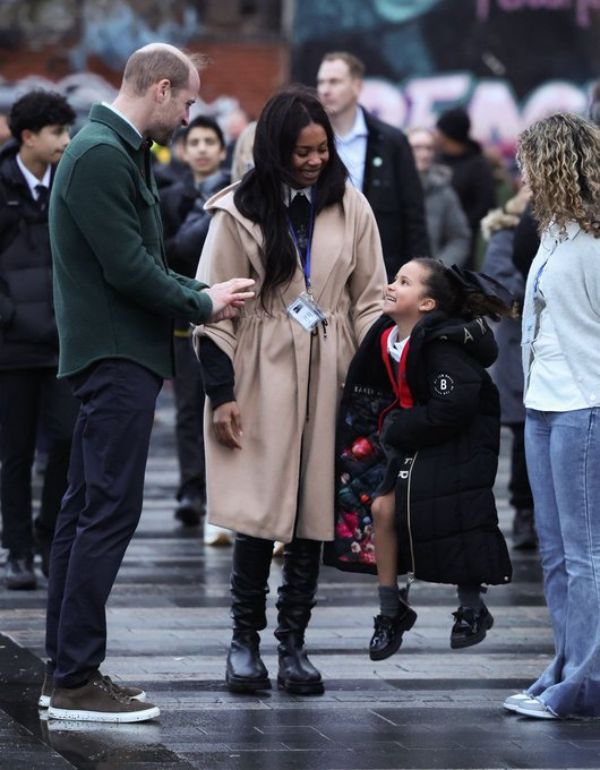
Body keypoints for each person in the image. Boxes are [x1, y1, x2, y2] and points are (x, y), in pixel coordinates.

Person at [42, 42, 255, 723]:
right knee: (106, 513)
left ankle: (67, 671)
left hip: (114, 355)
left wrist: (200, 289)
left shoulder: (112, 148)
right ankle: (75, 679)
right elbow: (130, 268)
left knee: (83, 515)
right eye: (188, 101)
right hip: (116, 359)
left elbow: (141, 261)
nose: (191, 113)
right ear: (160, 89)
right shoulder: (103, 154)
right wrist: (203, 301)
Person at [196, 85, 386, 696]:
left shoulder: (350, 206)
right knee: (258, 511)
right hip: (258, 367)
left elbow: (370, 299)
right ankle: (242, 642)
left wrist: (375, 381)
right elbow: (211, 308)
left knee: (314, 511)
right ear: (275, 149)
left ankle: (293, 645)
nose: (314, 160)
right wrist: (220, 393)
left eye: (322, 149)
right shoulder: (237, 212)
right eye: (302, 151)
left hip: (330, 369)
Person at [326, 259, 512, 658]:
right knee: (382, 509)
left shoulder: (445, 347)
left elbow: (453, 407)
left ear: (426, 304)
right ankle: (391, 610)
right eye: (394, 278)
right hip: (415, 438)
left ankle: (472, 608)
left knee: (454, 514)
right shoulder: (388, 335)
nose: (391, 286)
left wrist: (398, 426)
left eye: (404, 283)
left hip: (455, 443)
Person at [503, 113, 600, 720]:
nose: (521, 175)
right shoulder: (553, 232)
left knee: (587, 553)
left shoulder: (592, 243)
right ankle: (566, 665)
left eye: (528, 163)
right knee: (555, 552)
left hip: (584, 404)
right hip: (543, 403)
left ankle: (585, 682)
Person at [0, 90, 79, 589]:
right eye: (57, 133)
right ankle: (18, 549)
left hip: (62, 343)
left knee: (68, 442)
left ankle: (51, 539)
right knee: (15, 451)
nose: (66, 142)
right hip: (10, 346)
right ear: (28, 136)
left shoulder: (70, 182)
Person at [160, 115, 229, 531]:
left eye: (210, 142)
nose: (202, 148)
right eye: (195, 142)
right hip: (185, 312)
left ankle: (225, 487)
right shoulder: (170, 198)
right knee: (188, 404)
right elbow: (163, 252)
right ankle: (192, 488)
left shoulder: (238, 195)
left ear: (222, 150)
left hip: (231, 310)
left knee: (228, 399)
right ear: (184, 151)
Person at [316, 51, 428, 279]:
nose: (325, 90)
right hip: (323, 265)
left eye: (335, 81)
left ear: (357, 86)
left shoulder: (390, 141)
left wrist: (418, 277)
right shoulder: (311, 139)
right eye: (321, 82)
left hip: (382, 266)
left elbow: (413, 213)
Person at [480, 187, 537, 549]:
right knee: (524, 436)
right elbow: (497, 283)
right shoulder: (507, 232)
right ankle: (525, 513)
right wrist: (540, 286)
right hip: (519, 346)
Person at [435, 107, 496, 268]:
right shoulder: (436, 160)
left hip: (466, 242)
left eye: (439, 130)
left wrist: (460, 226)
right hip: (434, 238)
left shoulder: (478, 165)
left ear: (448, 134)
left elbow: (486, 204)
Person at [407, 127, 470, 267]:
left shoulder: (443, 191)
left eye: (429, 148)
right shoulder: (388, 188)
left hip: (428, 279)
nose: (424, 154)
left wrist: (439, 268)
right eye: (416, 148)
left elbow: (459, 237)